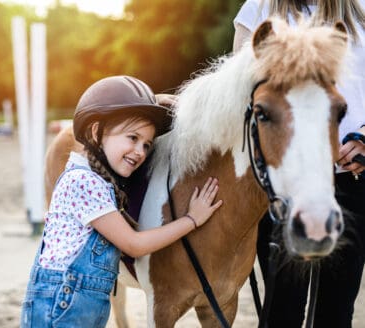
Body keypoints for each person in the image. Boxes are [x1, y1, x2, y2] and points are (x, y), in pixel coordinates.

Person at [20, 75, 223, 328]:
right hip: (60, 308)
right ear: (96, 132)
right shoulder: (83, 182)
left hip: (79, 308)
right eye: (132, 138)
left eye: (147, 145)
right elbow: (134, 244)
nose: (140, 151)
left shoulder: (99, 183)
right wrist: (191, 220)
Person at [233, 1, 365, 327]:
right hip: (282, 184)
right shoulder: (257, 9)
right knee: (282, 310)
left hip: (353, 176)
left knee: (336, 311)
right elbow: (238, 95)